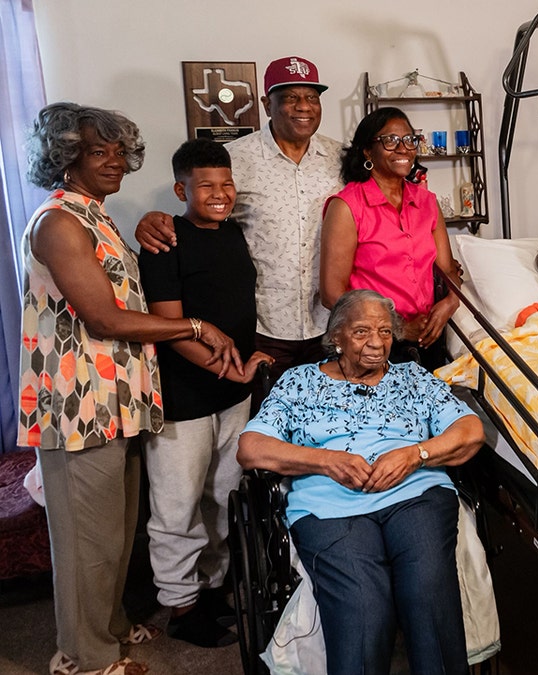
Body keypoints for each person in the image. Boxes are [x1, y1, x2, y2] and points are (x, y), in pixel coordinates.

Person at [20, 102, 239, 675]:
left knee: (115, 535)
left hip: (117, 401)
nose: (115, 161)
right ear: (66, 158)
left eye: (119, 150)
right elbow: (106, 319)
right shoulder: (59, 221)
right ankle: (85, 658)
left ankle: (111, 629)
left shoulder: (97, 215)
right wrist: (193, 326)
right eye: (99, 151)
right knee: (85, 543)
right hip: (78, 406)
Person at [237, 289, 484, 675]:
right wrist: (327, 461)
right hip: (329, 504)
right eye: (362, 331)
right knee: (362, 605)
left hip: (415, 493)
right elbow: (251, 448)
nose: (376, 343)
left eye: (386, 332)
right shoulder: (298, 383)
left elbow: (469, 430)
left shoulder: (412, 377)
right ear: (335, 337)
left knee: (427, 590)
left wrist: (414, 454)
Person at [137, 139, 274, 648]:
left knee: (224, 493)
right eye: (206, 186)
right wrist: (231, 372)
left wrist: (243, 367)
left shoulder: (234, 233)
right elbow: (168, 328)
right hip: (184, 398)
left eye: (226, 184)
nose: (219, 194)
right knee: (177, 505)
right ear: (181, 190)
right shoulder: (165, 242)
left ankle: (211, 587)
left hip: (230, 395)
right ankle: (180, 605)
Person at [137, 56, 343, 394]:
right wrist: (152, 218)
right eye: (290, 97)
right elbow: (201, 211)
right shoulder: (236, 158)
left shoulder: (341, 159)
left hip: (328, 323)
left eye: (311, 97)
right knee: (268, 432)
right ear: (266, 104)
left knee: (327, 424)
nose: (303, 106)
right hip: (262, 326)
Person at [319, 107, 460, 371]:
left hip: (427, 336)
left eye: (409, 139)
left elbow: (447, 269)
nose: (403, 149)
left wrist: (451, 301)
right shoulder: (347, 206)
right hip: (370, 342)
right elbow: (331, 294)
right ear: (367, 151)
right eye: (390, 140)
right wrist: (397, 329)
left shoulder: (427, 201)